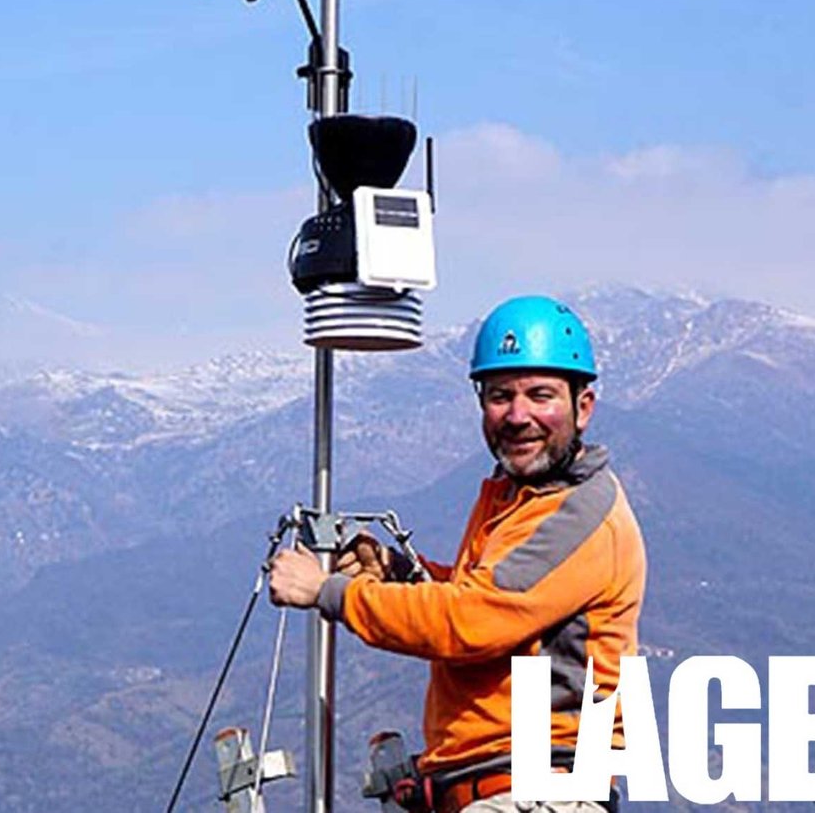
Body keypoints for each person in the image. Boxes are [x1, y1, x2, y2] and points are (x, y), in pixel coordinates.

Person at [268, 294, 647, 813]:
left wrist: (327, 591)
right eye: (500, 396)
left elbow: (470, 620)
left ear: (583, 407)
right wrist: (400, 573)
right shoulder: (518, 496)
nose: (518, 415)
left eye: (540, 395)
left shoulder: (580, 514)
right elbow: (487, 596)